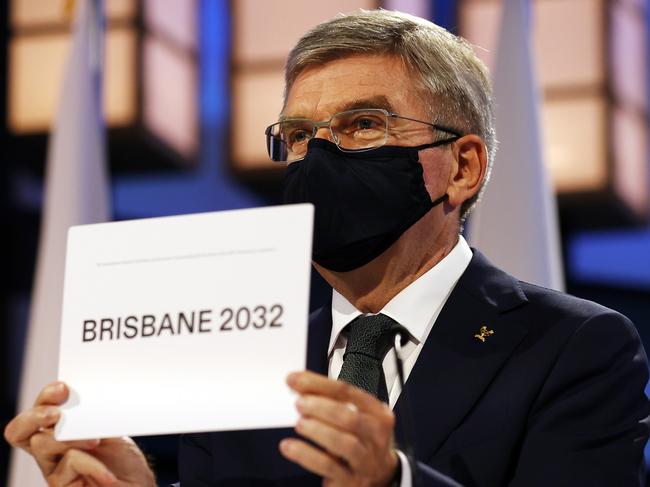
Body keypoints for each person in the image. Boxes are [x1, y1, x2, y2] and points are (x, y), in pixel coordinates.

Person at [5, 9, 650, 487]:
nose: (316, 158)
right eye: (296, 135)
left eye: (361, 125)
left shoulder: (574, 349)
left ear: (461, 167)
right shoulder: (243, 358)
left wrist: (394, 482)